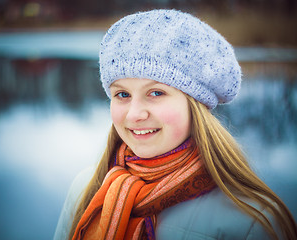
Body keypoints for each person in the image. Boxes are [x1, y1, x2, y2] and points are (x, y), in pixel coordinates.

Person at [54, 9, 297, 240]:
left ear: (195, 106)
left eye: (156, 93)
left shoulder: (251, 219)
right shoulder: (87, 189)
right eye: (122, 95)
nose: (134, 114)